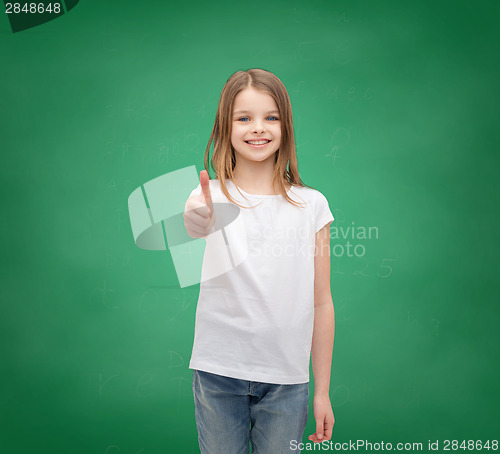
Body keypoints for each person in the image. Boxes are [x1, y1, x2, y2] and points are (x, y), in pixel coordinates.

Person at [183, 68, 335, 454]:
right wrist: (197, 217)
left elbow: (322, 301)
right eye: (244, 118)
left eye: (271, 117)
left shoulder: (311, 205)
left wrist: (322, 392)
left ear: (285, 126)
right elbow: (195, 223)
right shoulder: (209, 195)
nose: (258, 128)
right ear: (225, 127)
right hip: (218, 374)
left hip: (287, 381)